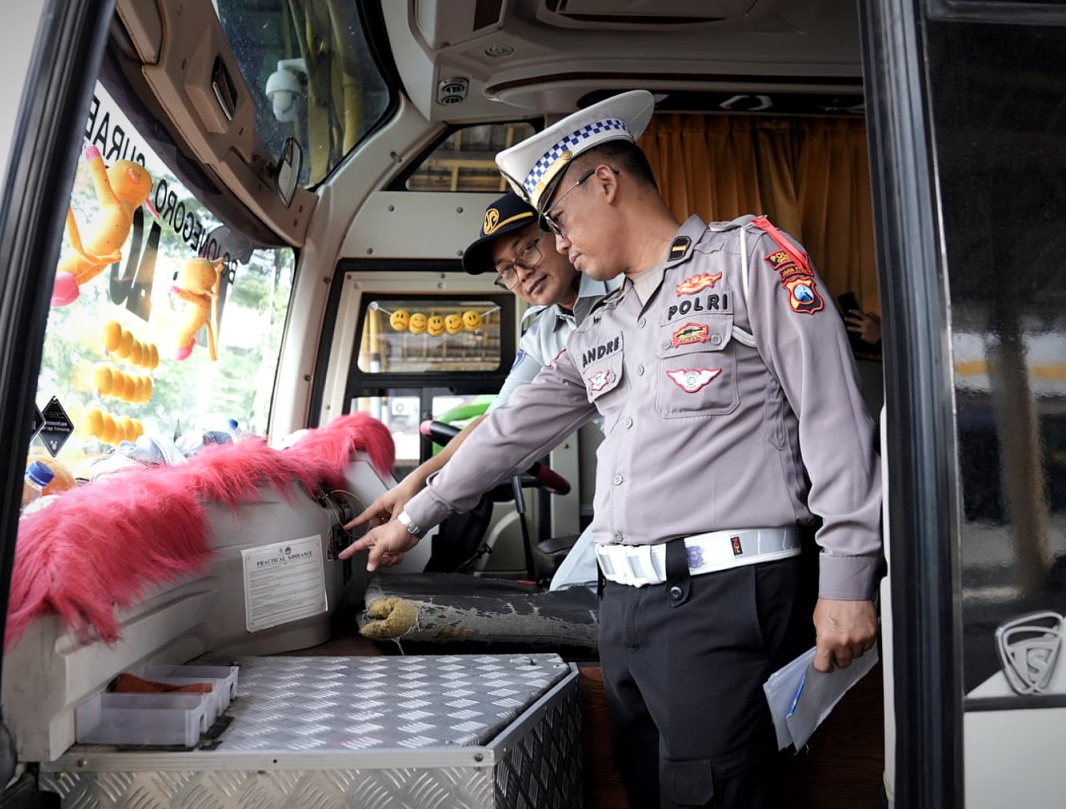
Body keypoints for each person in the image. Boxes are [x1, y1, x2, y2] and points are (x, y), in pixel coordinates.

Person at [341, 90, 883, 809]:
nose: (559, 244)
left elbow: (834, 418)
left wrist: (847, 579)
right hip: (623, 607)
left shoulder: (749, 258)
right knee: (645, 791)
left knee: (714, 795)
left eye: (557, 221)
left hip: (723, 596)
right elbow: (509, 429)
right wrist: (414, 518)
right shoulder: (603, 325)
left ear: (605, 182)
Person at [345, 192, 617, 589]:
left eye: (527, 249)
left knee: (579, 592)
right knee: (570, 591)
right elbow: (499, 421)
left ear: (558, 234)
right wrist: (414, 483)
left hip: (658, 469)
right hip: (623, 478)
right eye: (506, 270)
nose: (522, 273)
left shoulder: (621, 284)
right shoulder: (542, 331)